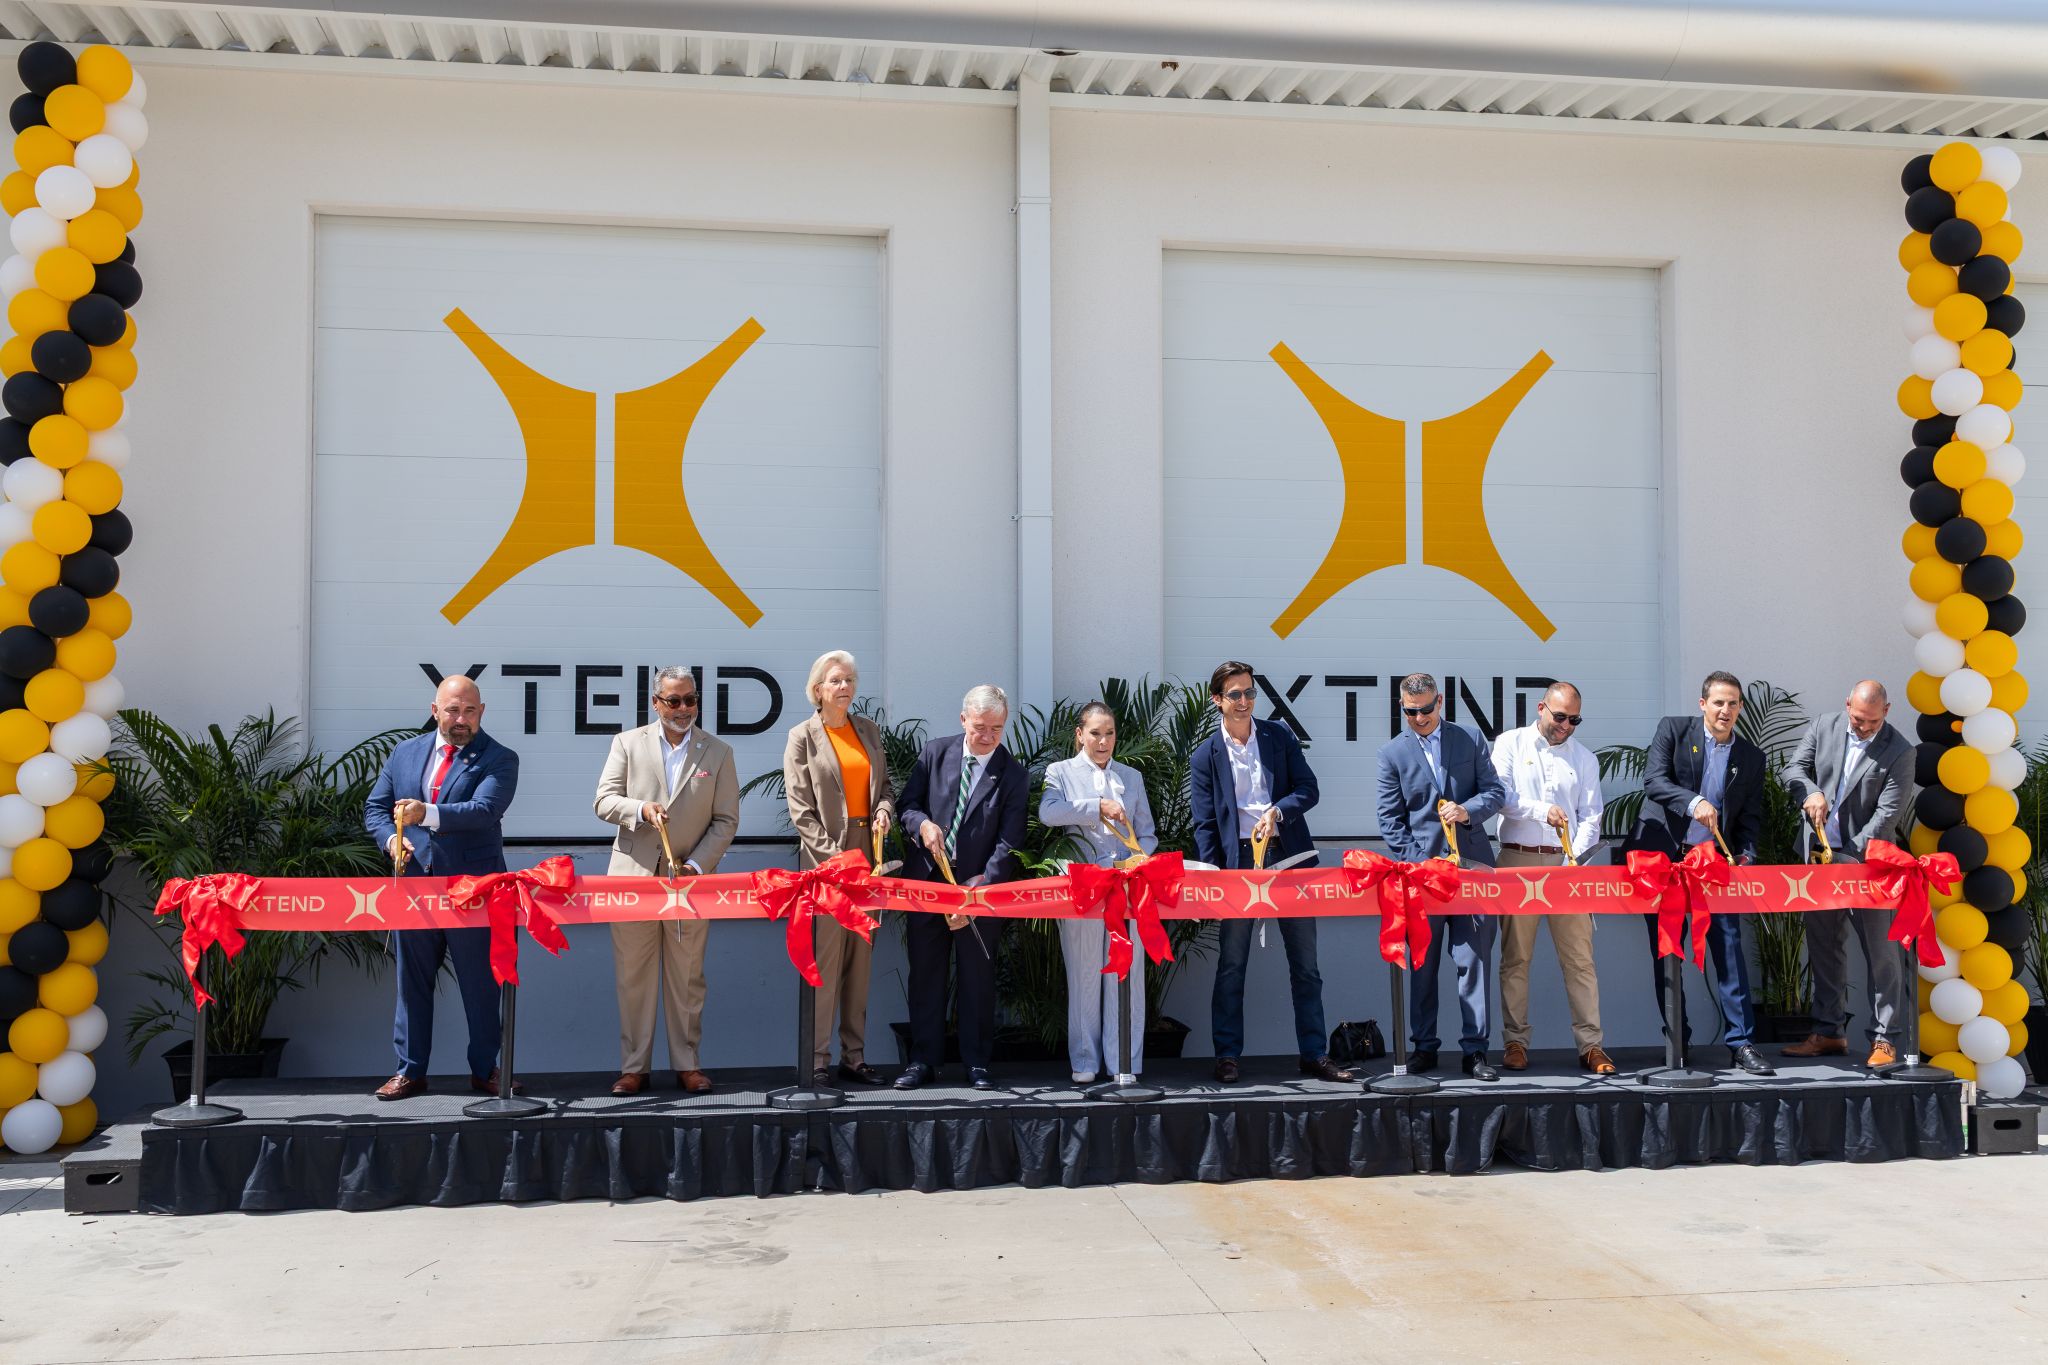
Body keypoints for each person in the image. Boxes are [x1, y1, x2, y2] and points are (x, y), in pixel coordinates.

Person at [1190, 661, 1353, 1085]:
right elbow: (1205, 823)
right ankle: (1227, 1054)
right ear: (1217, 700)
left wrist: (1278, 811)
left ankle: (1314, 1053)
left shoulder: (1277, 736)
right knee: (1232, 964)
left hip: (1290, 856)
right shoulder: (1205, 755)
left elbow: (1309, 789)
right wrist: (1212, 877)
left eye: (1249, 693)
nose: (1244, 702)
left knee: (1306, 964)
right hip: (1238, 864)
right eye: (1234, 695)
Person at [364, 675, 519, 1101]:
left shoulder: (500, 758)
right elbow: (376, 808)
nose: (461, 719)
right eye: (452, 710)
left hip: (474, 890)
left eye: (470, 710)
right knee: (411, 984)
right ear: (435, 711)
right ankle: (409, 1071)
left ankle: (486, 1070)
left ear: (481, 712)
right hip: (415, 891)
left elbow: (483, 811)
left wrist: (424, 813)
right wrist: (392, 839)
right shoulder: (405, 753)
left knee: (480, 986)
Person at [592, 665, 740, 1096]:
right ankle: (634, 1067)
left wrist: (696, 866)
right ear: (656, 702)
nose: (682, 709)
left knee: (688, 976)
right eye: (673, 700)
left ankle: (687, 1064)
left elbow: (727, 819)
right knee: (633, 977)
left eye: (690, 700)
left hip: (690, 882)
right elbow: (603, 800)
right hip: (633, 880)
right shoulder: (627, 743)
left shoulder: (719, 752)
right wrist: (640, 809)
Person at [1627, 670, 1774, 1076]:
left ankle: (1741, 1043)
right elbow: (1654, 782)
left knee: (1728, 950)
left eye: (1733, 704)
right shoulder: (1673, 731)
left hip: (1714, 865)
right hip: (1665, 863)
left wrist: (1745, 854)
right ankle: (1678, 1040)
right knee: (1669, 952)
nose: (1725, 710)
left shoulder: (1751, 757)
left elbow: (1750, 817)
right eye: (1719, 702)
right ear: (1703, 704)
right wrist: (1693, 803)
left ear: (1741, 708)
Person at [1376, 672, 1510, 1080]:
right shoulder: (1391, 754)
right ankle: (1425, 1047)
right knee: (1423, 965)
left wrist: (1468, 810)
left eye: (1425, 709)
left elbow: (1495, 792)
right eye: (1409, 711)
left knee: (1474, 962)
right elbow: (1389, 820)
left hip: (1472, 870)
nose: (1418, 717)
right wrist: (1421, 865)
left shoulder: (1468, 739)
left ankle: (1476, 1051)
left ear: (1441, 702)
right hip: (1422, 877)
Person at [895, 685, 1029, 1090]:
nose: (988, 736)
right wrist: (922, 824)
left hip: (979, 893)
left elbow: (1009, 844)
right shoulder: (934, 753)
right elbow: (907, 806)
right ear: (962, 720)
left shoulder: (1014, 774)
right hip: (928, 886)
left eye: (997, 729)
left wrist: (976, 893)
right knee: (926, 976)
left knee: (977, 978)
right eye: (980, 727)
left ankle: (977, 1062)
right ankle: (923, 1060)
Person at [1781, 681, 1912, 1067]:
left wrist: (1849, 858)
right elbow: (1793, 769)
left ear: (1886, 711)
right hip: (1817, 864)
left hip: (1867, 866)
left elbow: (1888, 814)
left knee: (1881, 955)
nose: (1864, 727)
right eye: (1858, 718)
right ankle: (1829, 1032)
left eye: (1872, 721)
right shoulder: (1825, 726)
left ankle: (1885, 1039)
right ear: (1846, 706)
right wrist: (1809, 792)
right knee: (1824, 948)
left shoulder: (1901, 752)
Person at [783, 650, 897, 1086]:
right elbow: (800, 809)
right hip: (826, 858)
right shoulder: (802, 737)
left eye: (850, 679)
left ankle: (855, 1056)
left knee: (860, 961)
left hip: (867, 851)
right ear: (818, 690)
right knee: (826, 961)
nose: (845, 687)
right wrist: (836, 858)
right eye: (835, 680)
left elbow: (883, 786)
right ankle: (816, 1059)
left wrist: (884, 809)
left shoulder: (866, 730)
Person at [1489, 681, 1614, 1075]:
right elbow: (1500, 796)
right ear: (1541, 707)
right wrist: (1543, 811)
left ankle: (1591, 1046)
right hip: (1517, 861)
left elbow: (1592, 815)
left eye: (1573, 720)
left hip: (1567, 866)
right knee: (1515, 959)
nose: (1565, 726)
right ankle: (1515, 1042)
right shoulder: (1510, 744)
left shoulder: (1584, 758)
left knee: (1580, 959)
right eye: (1559, 716)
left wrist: (1572, 859)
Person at [1039, 701, 1159, 1084]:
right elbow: (1049, 813)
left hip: (1128, 886)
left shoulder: (1132, 776)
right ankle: (1086, 1060)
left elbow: (1148, 833)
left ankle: (1125, 1061)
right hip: (1084, 884)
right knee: (1085, 971)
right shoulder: (1059, 772)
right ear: (1079, 734)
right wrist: (1096, 807)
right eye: (1095, 733)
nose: (1103, 741)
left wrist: (1141, 859)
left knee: (1128, 972)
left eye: (1109, 733)